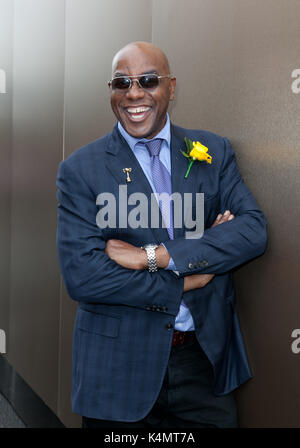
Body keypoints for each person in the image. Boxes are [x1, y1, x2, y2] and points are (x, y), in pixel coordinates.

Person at [56, 41, 267, 428]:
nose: (134, 93)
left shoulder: (213, 152)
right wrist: (189, 277)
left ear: (171, 87)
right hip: (118, 369)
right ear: (111, 91)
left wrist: (155, 257)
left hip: (202, 366)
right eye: (122, 83)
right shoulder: (80, 170)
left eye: (148, 80)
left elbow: (252, 231)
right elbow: (83, 276)